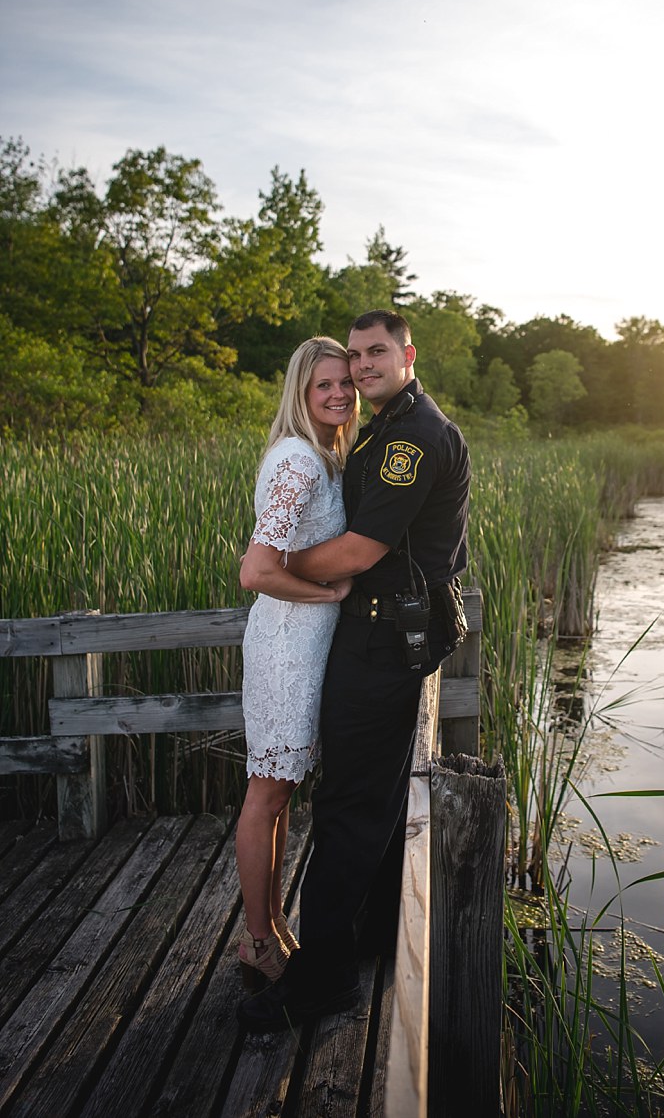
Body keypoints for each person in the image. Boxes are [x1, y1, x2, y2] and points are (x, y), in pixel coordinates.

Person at [238, 309, 471, 1031]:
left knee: (348, 809)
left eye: (374, 355)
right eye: (351, 361)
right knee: (364, 802)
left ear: (407, 354)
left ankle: (321, 983)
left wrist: (281, 567)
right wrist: (281, 573)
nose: (361, 371)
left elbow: (361, 550)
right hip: (373, 637)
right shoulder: (385, 426)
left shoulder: (413, 434)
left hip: (379, 643)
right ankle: (363, 941)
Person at [235, 337, 358, 990]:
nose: (339, 393)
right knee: (267, 794)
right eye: (323, 386)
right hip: (285, 649)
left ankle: (274, 925)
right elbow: (257, 570)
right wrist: (325, 593)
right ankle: (258, 940)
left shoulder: (323, 456)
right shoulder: (298, 462)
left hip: (304, 650)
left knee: (280, 794)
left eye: (345, 383)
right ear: (301, 394)